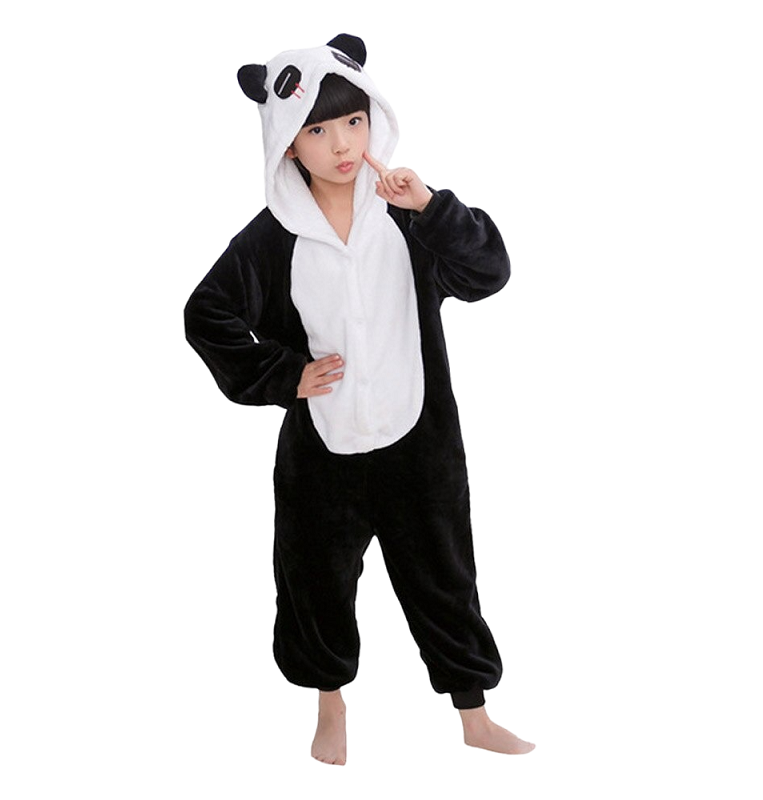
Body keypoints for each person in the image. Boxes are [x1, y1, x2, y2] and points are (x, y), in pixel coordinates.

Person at [184, 33, 534, 764]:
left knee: (445, 580)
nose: (342, 143)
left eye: (352, 120)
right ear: (288, 144)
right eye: (317, 129)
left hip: (419, 444)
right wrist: (284, 375)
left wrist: (432, 206)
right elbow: (206, 313)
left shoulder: (407, 215)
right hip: (322, 453)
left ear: (374, 119)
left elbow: (490, 272)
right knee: (315, 583)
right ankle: (330, 705)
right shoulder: (271, 239)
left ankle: (474, 715)